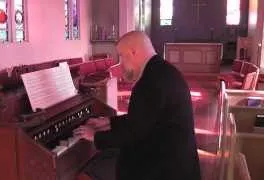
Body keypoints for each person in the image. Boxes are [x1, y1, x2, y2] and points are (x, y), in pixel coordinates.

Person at [74, 31, 201, 180]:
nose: (121, 64)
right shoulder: (162, 71)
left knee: (94, 170)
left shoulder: (149, 82)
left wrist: (94, 136)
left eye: (122, 56)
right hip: (176, 161)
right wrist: (109, 122)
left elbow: (133, 133)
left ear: (133, 52)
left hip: (166, 169)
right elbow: (144, 119)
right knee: (106, 159)